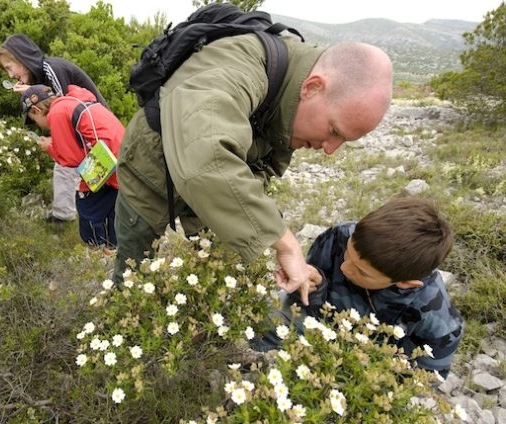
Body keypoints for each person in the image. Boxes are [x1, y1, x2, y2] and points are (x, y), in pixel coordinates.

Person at [113, 34, 393, 302]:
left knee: (222, 268)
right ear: (312, 87)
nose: (330, 149)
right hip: (149, 169)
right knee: (132, 266)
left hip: (216, 184)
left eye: (344, 141)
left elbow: (262, 170)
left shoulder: (292, 106)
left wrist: (262, 234)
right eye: (334, 130)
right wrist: (283, 240)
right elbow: (205, 158)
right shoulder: (238, 66)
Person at [257, 197, 463, 378]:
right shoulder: (340, 235)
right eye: (347, 254)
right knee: (265, 320)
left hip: (365, 366)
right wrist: (317, 285)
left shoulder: (439, 321)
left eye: (362, 272)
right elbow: (301, 302)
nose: (345, 268)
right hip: (318, 326)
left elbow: (422, 378)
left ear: (405, 283)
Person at [0, 34, 108, 224]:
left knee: (85, 175)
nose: (10, 75)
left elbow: (64, 105)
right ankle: (71, 219)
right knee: (81, 175)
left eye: (10, 67)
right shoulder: (40, 76)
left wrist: (31, 92)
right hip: (90, 133)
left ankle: (80, 223)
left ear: (21, 59)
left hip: (96, 132)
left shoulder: (50, 68)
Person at [21, 84, 123, 248]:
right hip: (120, 154)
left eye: (34, 121)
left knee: (87, 207)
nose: (38, 126)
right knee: (111, 209)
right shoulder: (74, 101)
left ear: (36, 110)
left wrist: (49, 147)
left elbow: (71, 160)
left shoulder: (57, 113)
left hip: (103, 159)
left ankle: (97, 252)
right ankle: (114, 248)